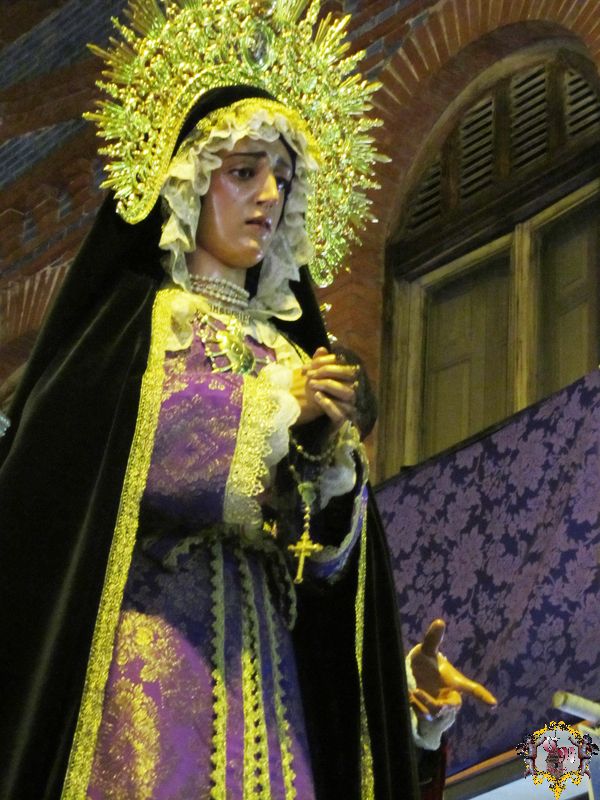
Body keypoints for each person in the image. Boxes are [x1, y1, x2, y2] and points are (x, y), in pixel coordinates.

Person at [0, 3, 495, 799]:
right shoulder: (139, 328)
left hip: (272, 683)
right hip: (154, 662)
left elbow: (323, 564)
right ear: (189, 182)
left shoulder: (291, 354)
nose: (268, 197)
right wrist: (279, 411)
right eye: (244, 172)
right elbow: (100, 454)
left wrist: (329, 472)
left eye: (282, 180)